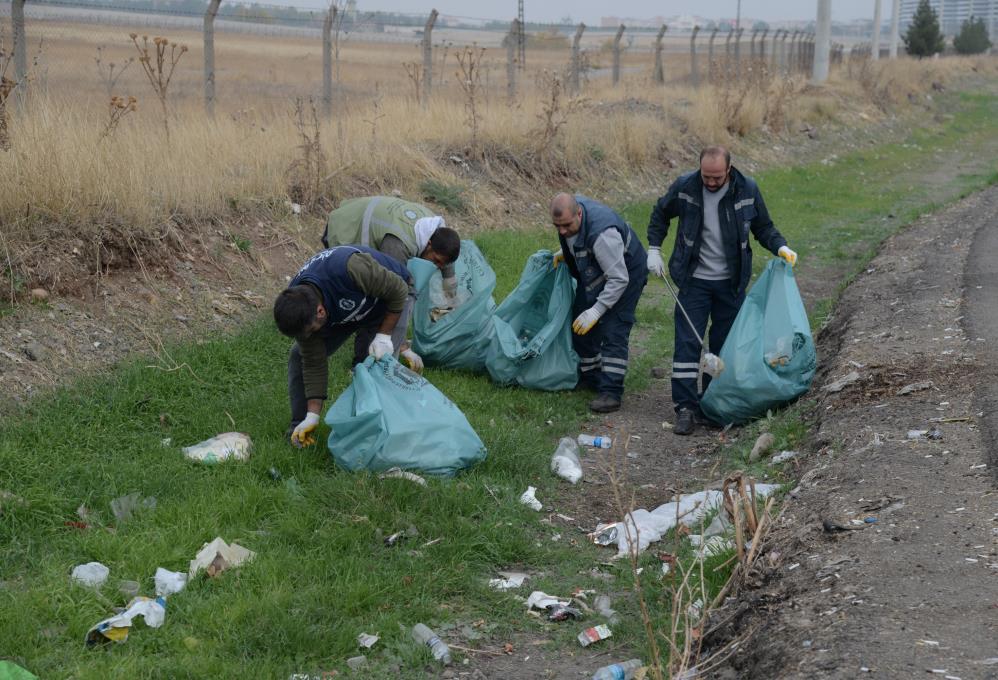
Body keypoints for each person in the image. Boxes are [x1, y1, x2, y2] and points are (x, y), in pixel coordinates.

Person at [647, 145, 798, 436]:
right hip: (693, 280)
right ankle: (685, 409)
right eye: (707, 176)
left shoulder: (747, 189)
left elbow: (763, 227)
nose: (711, 182)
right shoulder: (686, 187)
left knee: (724, 345)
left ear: (729, 170)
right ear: (699, 169)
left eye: (717, 177)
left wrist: (780, 246)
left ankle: (711, 404)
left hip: (731, 283)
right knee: (688, 344)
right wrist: (654, 248)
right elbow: (659, 214)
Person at [274, 245, 412, 448]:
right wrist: (313, 414)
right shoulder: (300, 308)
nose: (310, 336)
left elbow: (398, 290)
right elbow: (313, 361)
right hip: (348, 308)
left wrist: (384, 336)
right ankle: (299, 427)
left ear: (320, 311)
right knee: (299, 355)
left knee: (380, 365)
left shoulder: (350, 269)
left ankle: (382, 437)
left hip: (392, 296)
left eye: (312, 331)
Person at [323, 196, 461, 371]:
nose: (438, 267)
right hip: (345, 227)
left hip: (370, 221)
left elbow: (446, 262)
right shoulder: (398, 245)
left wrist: (451, 294)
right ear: (428, 245)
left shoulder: (438, 231)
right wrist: (400, 346)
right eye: (436, 261)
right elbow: (395, 297)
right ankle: (361, 366)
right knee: (373, 304)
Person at [551, 193, 648, 413]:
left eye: (566, 225)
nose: (562, 231)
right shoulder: (570, 217)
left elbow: (618, 278)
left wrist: (597, 310)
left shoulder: (603, 235)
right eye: (557, 226)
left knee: (613, 329)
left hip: (626, 273)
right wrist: (567, 251)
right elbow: (577, 239)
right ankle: (592, 377)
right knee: (579, 322)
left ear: (579, 213)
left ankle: (611, 392)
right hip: (597, 270)